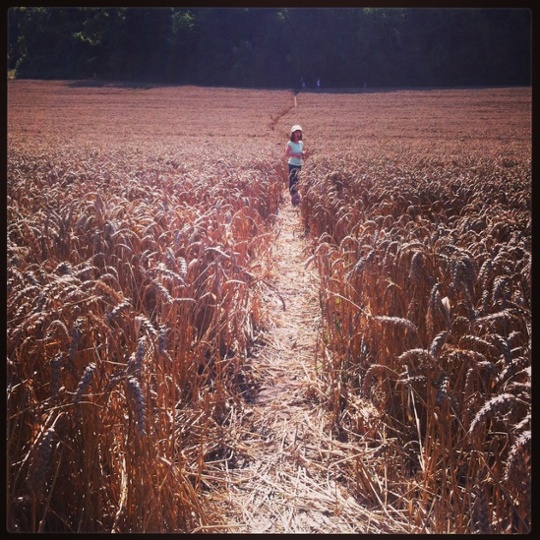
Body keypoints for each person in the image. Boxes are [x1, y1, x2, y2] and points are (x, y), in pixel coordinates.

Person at [285, 125, 304, 206]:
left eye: (299, 132)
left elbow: (302, 151)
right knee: (292, 181)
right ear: (293, 133)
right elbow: (286, 154)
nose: (298, 133)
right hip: (292, 164)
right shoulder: (290, 143)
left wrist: (303, 153)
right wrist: (295, 155)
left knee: (297, 181)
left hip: (299, 164)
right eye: (296, 132)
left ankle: (296, 197)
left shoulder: (301, 143)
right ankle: (293, 199)